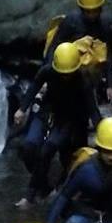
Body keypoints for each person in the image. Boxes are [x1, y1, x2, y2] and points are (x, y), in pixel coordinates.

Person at [11, 41, 97, 206]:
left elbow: (92, 108)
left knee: (47, 150)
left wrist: (101, 128)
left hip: (67, 119)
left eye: (69, 73)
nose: (65, 76)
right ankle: (43, 186)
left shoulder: (82, 78)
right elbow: (34, 87)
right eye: (62, 73)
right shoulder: (48, 71)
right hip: (45, 112)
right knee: (29, 147)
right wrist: (22, 109)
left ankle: (29, 196)